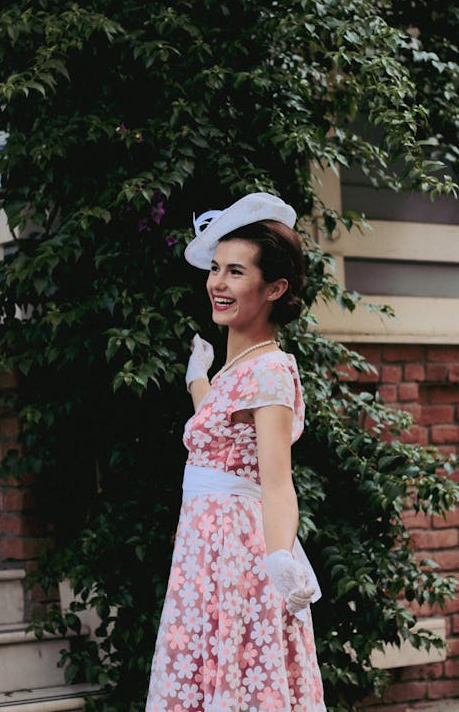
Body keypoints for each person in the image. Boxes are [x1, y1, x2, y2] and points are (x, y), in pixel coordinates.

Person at [145, 193, 326, 711]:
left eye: (236, 272)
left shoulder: (268, 371)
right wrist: (199, 381)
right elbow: (222, 435)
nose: (217, 284)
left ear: (274, 288)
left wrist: (278, 555)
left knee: (239, 675)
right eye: (216, 269)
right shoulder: (236, 370)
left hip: (236, 555)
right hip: (204, 548)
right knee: (204, 670)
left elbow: (274, 481)